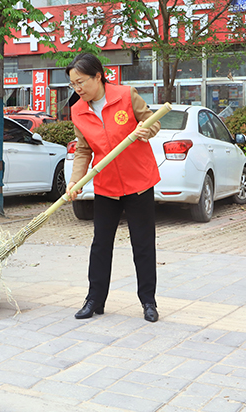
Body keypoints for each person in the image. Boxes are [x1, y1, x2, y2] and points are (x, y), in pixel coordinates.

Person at [65, 53, 161, 322]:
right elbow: (83, 149)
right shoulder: (78, 110)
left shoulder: (126, 95)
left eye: (81, 82)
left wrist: (146, 130)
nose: (78, 89)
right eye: (73, 85)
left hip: (139, 182)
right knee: (100, 244)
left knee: (142, 244)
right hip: (106, 185)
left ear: (98, 76)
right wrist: (75, 181)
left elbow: (153, 122)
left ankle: (148, 302)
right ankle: (94, 299)